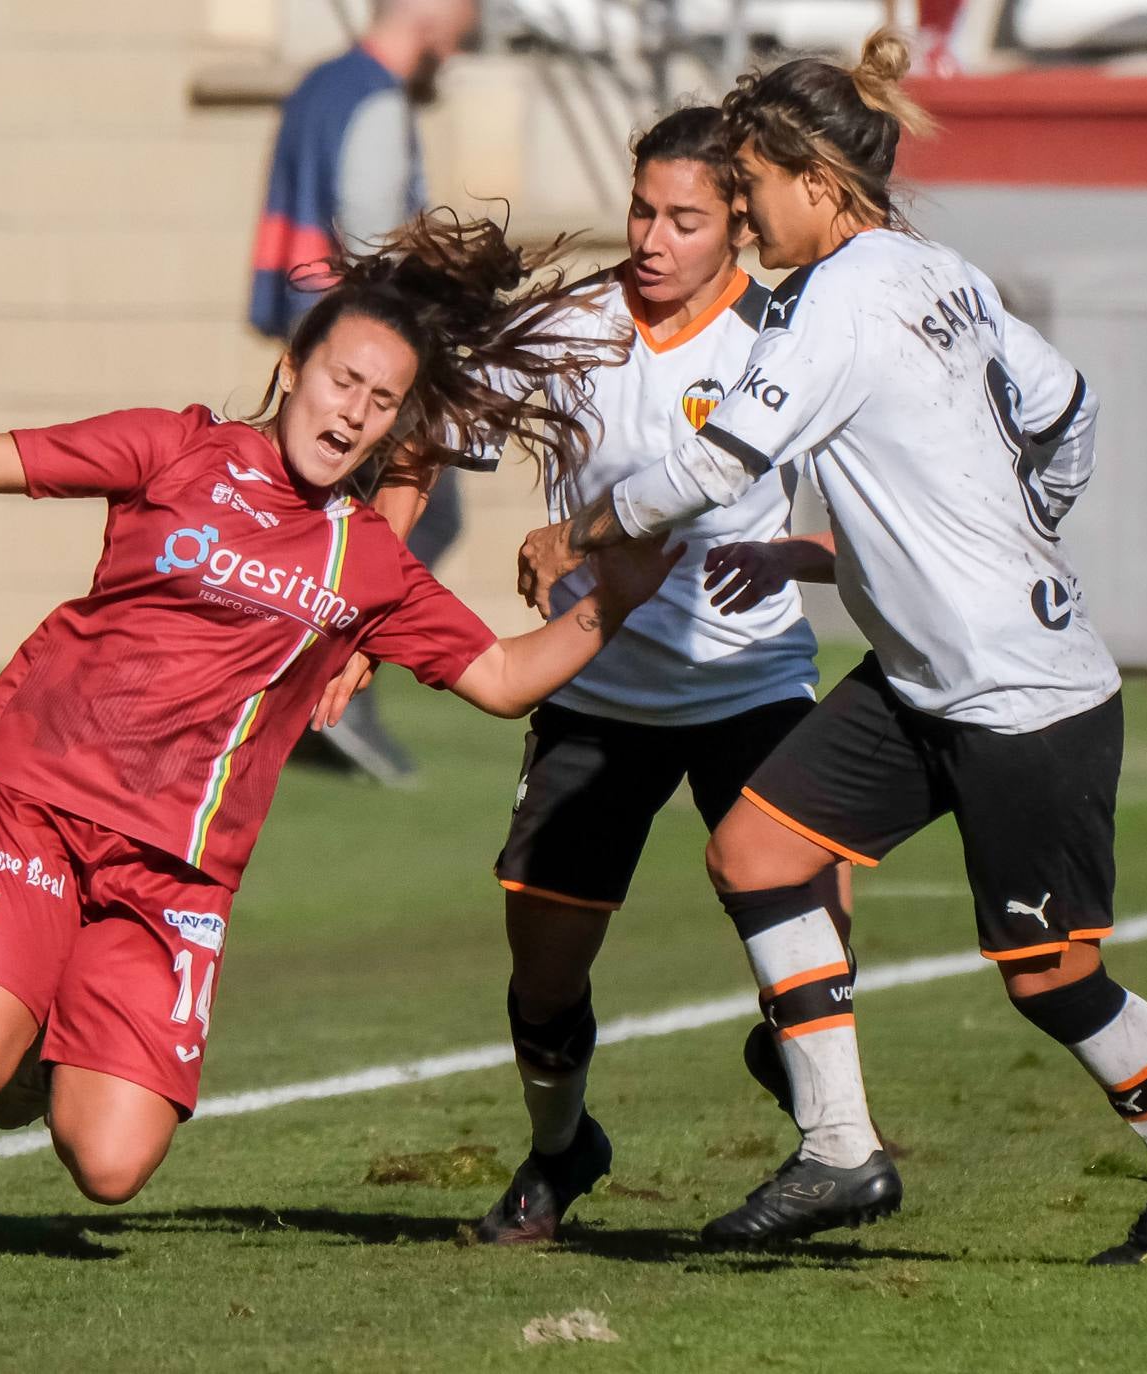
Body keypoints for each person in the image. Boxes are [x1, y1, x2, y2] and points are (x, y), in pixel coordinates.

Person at [517, 31, 1147, 1265]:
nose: (741, 217)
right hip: (921, 681)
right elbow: (1065, 409)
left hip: (1023, 698)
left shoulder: (839, 302)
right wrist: (1012, 539)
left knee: (1048, 979)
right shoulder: (937, 267)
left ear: (816, 179)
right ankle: (839, 1150)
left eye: (747, 190)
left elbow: (706, 467)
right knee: (753, 851)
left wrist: (575, 533)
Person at [0, 215, 679, 1208]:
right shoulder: (175, 448)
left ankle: (37, 1032)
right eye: (342, 382)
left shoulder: (364, 558)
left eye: (381, 404)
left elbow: (502, 679)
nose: (352, 416)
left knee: (111, 1168)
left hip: (174, 869)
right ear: (294, 367)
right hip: (36, 796)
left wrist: (617, 598)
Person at [458, 106, 850, 1245]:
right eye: (641, 209)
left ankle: (824, 1132)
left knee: (819, 949)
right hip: (597, 695)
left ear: (738, 219)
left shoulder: (791, 339)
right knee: (541, 976)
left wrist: (803, 560)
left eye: (685, 218)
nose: (652, 237)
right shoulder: (572, 323)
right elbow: (436, 438)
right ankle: (560, 1148)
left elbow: (866, 519)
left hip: (753, 685)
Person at [250, 0, 482, 785]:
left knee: (318, 525)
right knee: (421, 511)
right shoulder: (377, 99)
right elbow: (378, 242)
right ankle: (322, 683)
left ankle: (296, 682)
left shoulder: (322, 85)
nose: (469, 28)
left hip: (315, 343)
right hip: (360, 353)